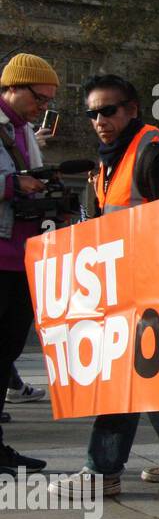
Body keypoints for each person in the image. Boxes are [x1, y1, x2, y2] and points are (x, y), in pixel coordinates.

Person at [48, 75, 159, 498]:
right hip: (122, 288)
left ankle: (102, 471)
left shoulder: (153, 157)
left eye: (109, 110)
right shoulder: (107, 163)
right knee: (150, 375)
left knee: (122, 376)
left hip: (154, 289)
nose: (100, 120)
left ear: (132, 109)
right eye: (92, 113)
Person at [0, 53, 57, 477]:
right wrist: (12, 184)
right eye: (39, 97)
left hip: (22, 259)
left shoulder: (24, 131)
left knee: (7, 353)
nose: (43, 107)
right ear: (14, 87)